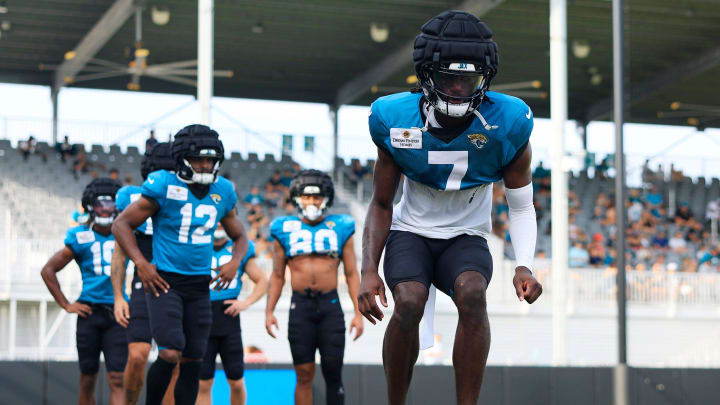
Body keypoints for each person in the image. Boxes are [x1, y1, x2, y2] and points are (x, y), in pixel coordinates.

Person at [358, 11, 542, 405]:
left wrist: (524, 263)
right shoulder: (395, 119)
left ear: (485, 78)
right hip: (412, 233)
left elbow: (522, 207)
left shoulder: (508, 122)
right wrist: (368, 269)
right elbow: (381, 202)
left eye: (470, 79)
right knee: (407, 301)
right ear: (427, 75)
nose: (458, 88)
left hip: (467, 236)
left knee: (473, 293)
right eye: (448, 77)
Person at [113, 124, 248, 405]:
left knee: (193, 361)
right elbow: (121, 224)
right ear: (183, 158)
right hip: (165, 281)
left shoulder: (222, 190)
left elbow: (240, 235)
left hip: (200, 286)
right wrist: (141, 262)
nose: (205, 164)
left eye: (210, 159)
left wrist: (235, 261)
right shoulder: (163, 183)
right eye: (200, 158)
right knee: (170, 351)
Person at [265, 170, 364, 405]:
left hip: (330, 305)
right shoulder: (283, 227)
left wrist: (358, 313)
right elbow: (278, 275)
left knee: (333, 373)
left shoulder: (341, 225)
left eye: (316, 197)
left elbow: (351, 273)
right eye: (307, 197)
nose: (311, 202)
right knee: (304, 375)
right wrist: (269, 311)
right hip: (300, 307)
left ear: (326, 198)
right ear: (298, 198)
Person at [40, 178, 126, 405]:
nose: (107, 210)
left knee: (117, 378)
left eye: (111, 205)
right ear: (90, 206)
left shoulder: (126, 233)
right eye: (101, 204)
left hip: (118, 312)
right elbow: (48, 270)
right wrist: (66, 304)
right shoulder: (79, 236)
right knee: (87, 378)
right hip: (90, 311)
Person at [111, 142, 178, 405]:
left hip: (178, 282)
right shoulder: (131, 196)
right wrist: (118, 296)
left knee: (175, 358)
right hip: (143, 283)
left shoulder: (188, 196)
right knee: (138, 355)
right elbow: (119, 252)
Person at [197, 223, 268, 405]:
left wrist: (246, 302)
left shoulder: (240, 247)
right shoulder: (195, 244)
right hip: (201, 318)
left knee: (236, 380)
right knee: (203, 382)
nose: (220, 224)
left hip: (228, 320)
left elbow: (262, 280)